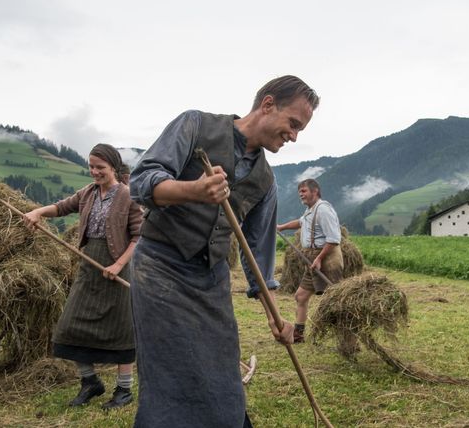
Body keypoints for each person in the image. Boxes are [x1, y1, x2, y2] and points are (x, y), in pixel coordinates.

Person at [129, 75, 318, 427]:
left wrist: (275, 316)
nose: (293, 136)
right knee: (169, 368)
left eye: (300, 131)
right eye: (293, 124)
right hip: (160, 268)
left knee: (220, 368)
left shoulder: (265, 180)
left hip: (210, 277)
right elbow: (140, 181)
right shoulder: (196, 125)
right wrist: (194, 190)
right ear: (267, 105)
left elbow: (257, 254)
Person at [23, 143, 143, 408]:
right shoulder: (88, 193)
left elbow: (138, 236)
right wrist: (38, 213)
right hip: (89, 268)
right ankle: (90, 382)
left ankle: (124, 390)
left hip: (118, 269)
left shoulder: (128, 196)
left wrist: (117, 264)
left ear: (113, 167)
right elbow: (61, 207)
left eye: (100, 167)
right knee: (69, 326)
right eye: (91, 166)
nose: (95, 172)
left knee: (121, 330)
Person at [277, 178, 343, 344]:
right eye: (299, 191)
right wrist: (281, 227)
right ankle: (298, 335)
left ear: (315, 192)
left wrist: (320, 258)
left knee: (335, 301)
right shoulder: (310, 211)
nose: (301, 194)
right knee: (300, 296)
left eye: (304, 191)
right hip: (312, 259)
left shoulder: (323, 210)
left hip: (327, 259)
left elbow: (334, 239)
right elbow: (300, 222)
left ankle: (348, 339)